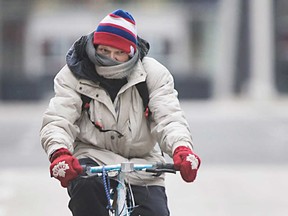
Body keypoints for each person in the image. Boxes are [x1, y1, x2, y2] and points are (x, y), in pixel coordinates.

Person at [40, 9, 201, 216]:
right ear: (95, 46)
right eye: (104, 51)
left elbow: (169, 118)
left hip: (142, 163)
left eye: (119, 53)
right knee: (85, 192)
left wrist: (182, 149)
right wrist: (59, 153)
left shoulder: (154, 75)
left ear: (132, 52)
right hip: (92, 158)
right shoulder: (73, 74)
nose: (111, 59)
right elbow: (58, 119)